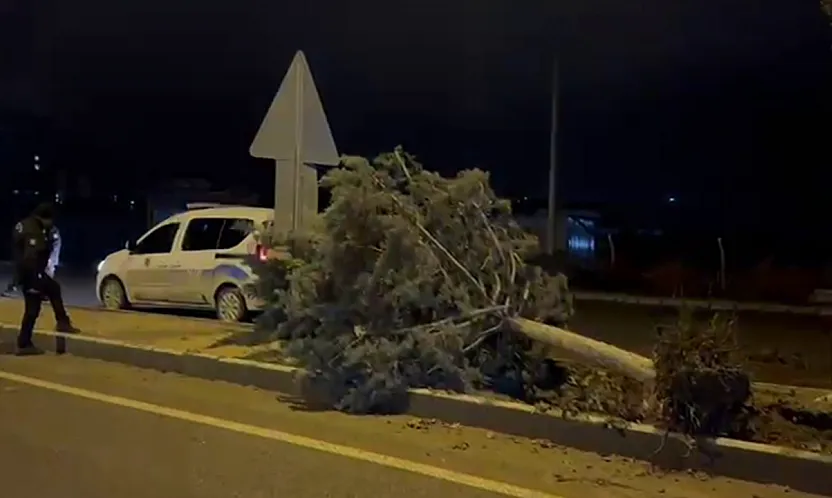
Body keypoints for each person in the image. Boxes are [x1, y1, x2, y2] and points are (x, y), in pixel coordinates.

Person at [12, 202, 80, 355]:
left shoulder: (25, 224)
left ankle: (60, 323)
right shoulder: (34, 230)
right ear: (44, 218)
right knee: (37, 304)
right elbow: (31, 255)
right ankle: (25, 342)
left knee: (46, 295)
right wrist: (36, 278)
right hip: (31, 273)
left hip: (28, 272)